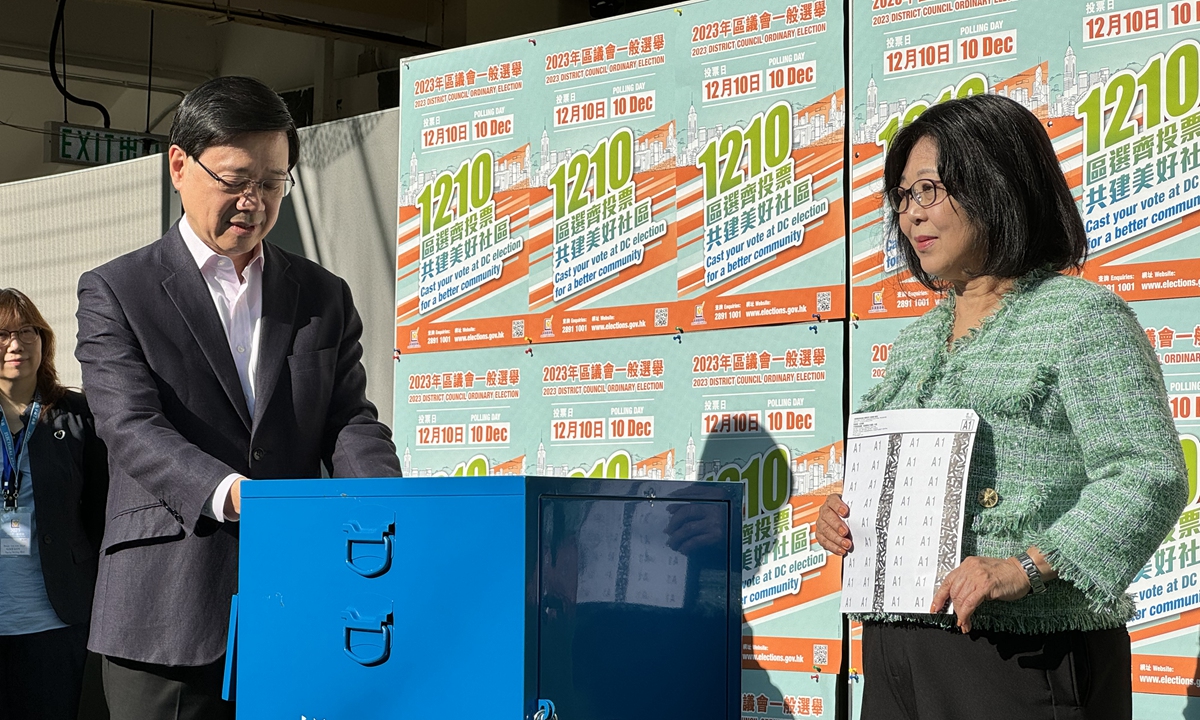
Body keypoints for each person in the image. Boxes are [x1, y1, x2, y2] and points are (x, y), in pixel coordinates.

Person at [816, 93, 1187, 719]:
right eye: (903, 197)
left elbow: (1147, 474)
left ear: (998, 186)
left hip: (1022, 656)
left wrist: (1029, 567)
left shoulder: (1079, 318)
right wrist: (845, 512)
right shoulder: (918, 337)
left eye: (930, 190)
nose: (911, 216)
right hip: (897, 647)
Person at [75, 76, 402, 719]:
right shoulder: (117, 290)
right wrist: (230, 493)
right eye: (236, 179)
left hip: (297, 601)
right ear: (179, 165)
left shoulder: (321, 294)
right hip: (166, 606)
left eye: (274, 183)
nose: (253, 202)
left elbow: (347, 419)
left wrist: (388, 501)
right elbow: (129, 424)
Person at [0, 288, 108, 720]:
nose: (16, 343)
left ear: (44, 340)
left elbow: (101, 511)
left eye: (28, 331)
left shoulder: (77, 414)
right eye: (3, 333)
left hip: (57, 620)